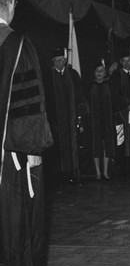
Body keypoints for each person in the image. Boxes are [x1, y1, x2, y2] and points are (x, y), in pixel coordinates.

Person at [0, 0, 53, 266]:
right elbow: (29, 102)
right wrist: (32, 148)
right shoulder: (16, 44)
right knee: (11, 214)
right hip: (9, 153)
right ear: (8, 4)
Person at [44, 47, 87, 184]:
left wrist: (80, 117)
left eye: (61, 60)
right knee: (58, 147)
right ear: (52, 61)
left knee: (73, 146)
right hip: (55, 120)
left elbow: (80, 97)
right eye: (56, 60)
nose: (59, 62)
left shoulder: (73, 75)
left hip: (71, 118)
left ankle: (73, 174)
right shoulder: (48, 76)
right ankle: (58, 177)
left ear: (66, 60)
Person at [89, 60, 115, 180]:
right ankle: (97, 172)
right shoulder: (89, 86)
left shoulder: (109, 85)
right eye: (97, 71)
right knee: (96, 146)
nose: (99, 73)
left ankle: (105, 172)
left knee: (106, 146)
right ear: (94, 73)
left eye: (101, 71)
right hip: (94, 121)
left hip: (107, 120)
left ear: (105, 73)